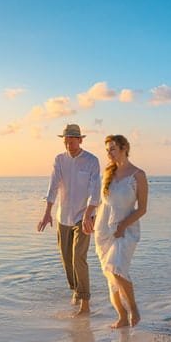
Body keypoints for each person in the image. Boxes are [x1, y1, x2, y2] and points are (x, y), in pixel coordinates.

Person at [37, 123, 101, 316]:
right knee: (66, 260)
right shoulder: (59, 160)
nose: (69, 143)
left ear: (80, 140)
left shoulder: (91, 161)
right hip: (63, 217)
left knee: (78, 258)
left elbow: (95, 189)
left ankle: (85, 303)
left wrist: (89, 213)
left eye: (72, 140)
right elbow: (53, 186)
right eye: (66, 140)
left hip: (84, 217)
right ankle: (75, 291)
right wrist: (47, 212)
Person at [93, 134, 147, 328]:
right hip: (104, 230)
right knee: (110, 274)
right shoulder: (108, 173)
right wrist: (89, 217)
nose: (109, 153)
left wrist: (123, 225)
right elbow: (102, 203)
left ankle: (133, 309)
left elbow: (142, 208)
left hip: (126, 230)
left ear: (124, 148)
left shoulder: (138, 175)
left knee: (117, 269)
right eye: (107, 150)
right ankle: (122, 317)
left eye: (112, 149)